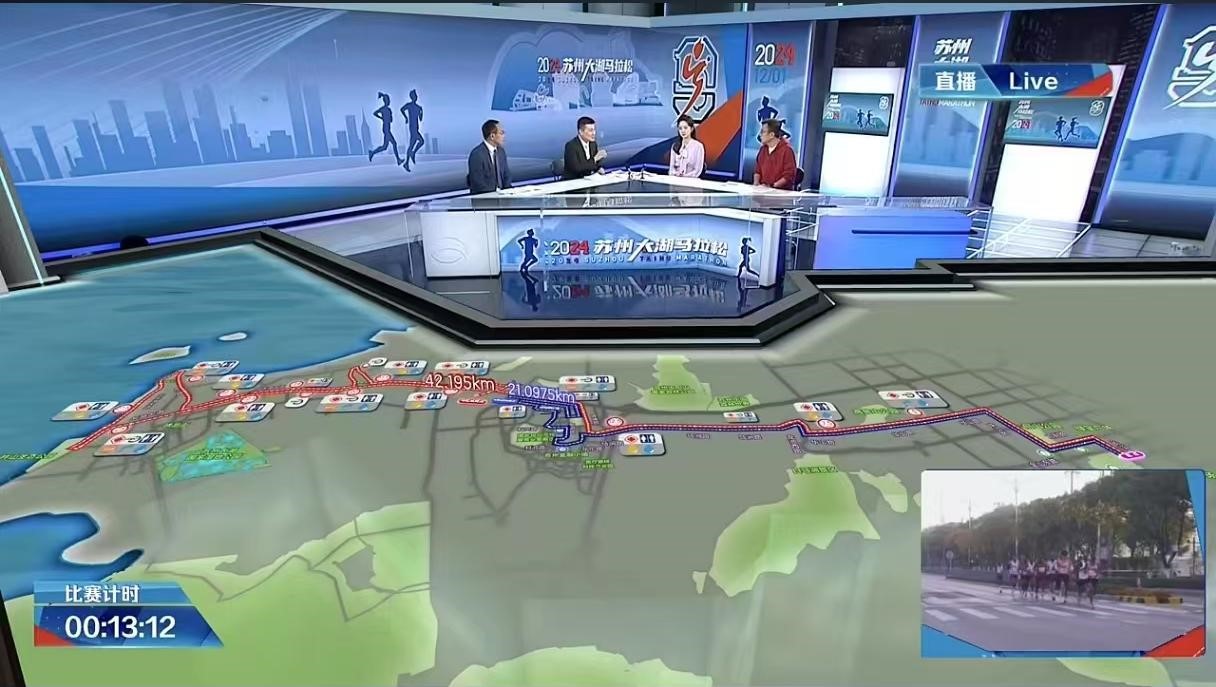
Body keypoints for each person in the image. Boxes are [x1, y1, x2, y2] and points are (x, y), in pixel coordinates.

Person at [468, 119, 510, 195]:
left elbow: (506, 176)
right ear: (492, 136)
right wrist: (495, 195)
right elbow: (478, 183)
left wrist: (508, 192)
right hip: (485, 198)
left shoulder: (501, 151)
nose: (504, 136)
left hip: (503, 197)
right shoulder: (477, 154)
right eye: (501, 133)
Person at [754, 119, 796, 190]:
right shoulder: (763, 149)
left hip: (780, 192)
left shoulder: (787, 151)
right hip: (762, 190)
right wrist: (756, 185)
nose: (760, 135)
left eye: (763, 132)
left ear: (772, 135)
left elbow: (788, 176)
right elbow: (757, 171)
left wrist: (772, 186)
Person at [368, 92, 402, 166]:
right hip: (386, 129)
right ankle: (398, 160)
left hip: (387, 129)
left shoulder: (388, 110)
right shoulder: (383, 109)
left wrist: (387, 117)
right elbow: (375, 113)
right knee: (394, 143)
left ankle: (372, 152)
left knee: (384, 147)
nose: (389, 101)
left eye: (389, 100)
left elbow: (391, 120)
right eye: (388, 100)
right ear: (385, 101)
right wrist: (381, 118)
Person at [400, 89, 424, 171]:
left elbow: (420, 119)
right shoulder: (409, 105)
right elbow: (402, 109)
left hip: (416, 127)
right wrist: (406, 117)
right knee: (420, 142)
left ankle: (407, 162)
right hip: (412, 128)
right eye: (414, 96)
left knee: (413, 144)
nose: (416, 97)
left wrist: (421, 112)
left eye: (416, 96)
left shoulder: (418, 107)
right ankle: (410, 157)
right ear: (412, 97)